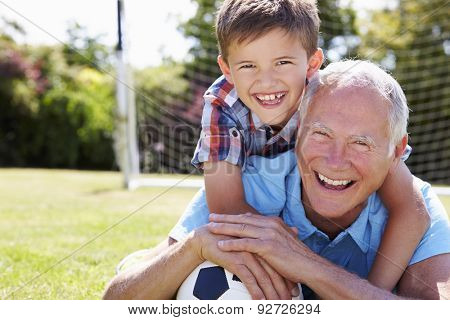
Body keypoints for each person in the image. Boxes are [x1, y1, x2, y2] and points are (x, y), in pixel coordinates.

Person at [103, 60, 450, 300]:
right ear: (297, 130)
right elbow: (114, 302)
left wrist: (307, 265)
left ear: (397, 151)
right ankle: (146, 255)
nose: (335, 160)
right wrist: (192, 248)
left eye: (361, 142)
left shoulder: (417, 209)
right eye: (321, 134)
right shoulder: (250, 185)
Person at [187, 0, 428, 292]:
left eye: (283, 62)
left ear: (312, 64)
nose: (267, 82)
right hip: (267, 194)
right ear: (226, 69)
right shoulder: (222, 107)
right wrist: (282, 250)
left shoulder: (330, 97)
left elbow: (411, 210)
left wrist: (367, 295)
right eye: (248, 65)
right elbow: (227, 208)